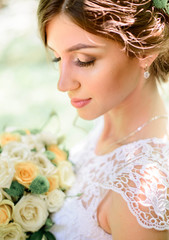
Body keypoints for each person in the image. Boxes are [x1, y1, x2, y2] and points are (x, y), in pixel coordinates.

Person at [37, 0, 169, 239]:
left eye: (84, 59)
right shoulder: (107, 126)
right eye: (57, 58)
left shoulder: (140, 193)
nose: (63, 84)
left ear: (144, 51)